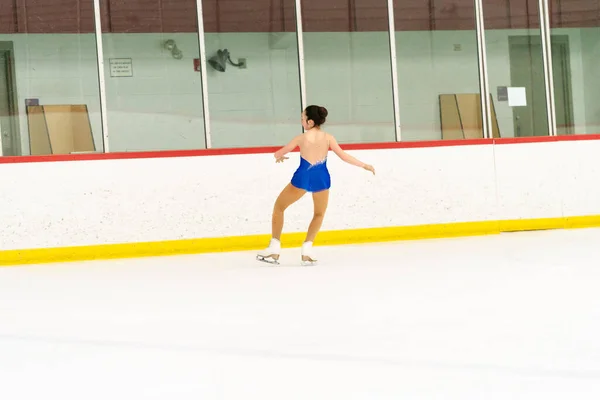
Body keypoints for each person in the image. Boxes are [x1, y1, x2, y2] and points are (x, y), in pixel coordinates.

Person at [256, 105, 375, 266]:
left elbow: (280, 152)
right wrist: (364, 165)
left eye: (303, 119)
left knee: (279, 207)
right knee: (319, 214)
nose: (301, 121)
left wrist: (279, 157)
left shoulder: (301, 138)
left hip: (303, 177)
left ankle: (274, 248)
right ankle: (307, 250)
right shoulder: (328, 137)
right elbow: (343, 155)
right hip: (321, 178)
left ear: (310, 122)